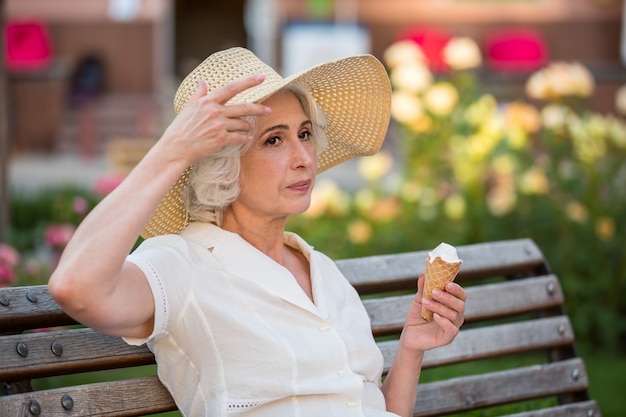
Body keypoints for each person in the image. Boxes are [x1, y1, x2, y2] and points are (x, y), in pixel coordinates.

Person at [49, 47, 466, 417]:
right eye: (273, 140)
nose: (304, 157)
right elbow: (76, 287)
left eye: (304, 134)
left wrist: (411, 349)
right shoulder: (182, 262)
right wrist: (173, 150)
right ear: (221, 163)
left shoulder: (322, 271)